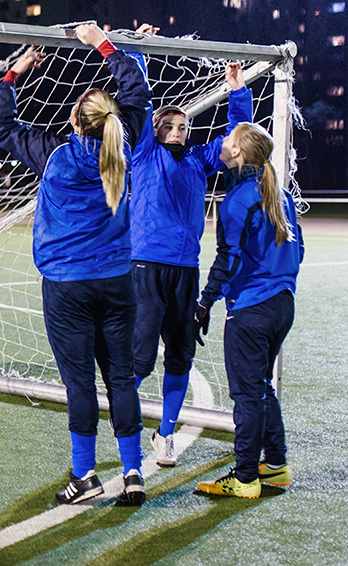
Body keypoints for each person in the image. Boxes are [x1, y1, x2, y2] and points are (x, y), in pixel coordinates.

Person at [0, 24, 151, 506]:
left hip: (66, 286)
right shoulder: (126, 144)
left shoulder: (54, 155)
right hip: (118, 281)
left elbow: (2, 128)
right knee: (120, 377)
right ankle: (134, 471)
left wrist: (12, 76)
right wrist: (103, 42)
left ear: (76, 121)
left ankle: (85, 477)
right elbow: (136, 90)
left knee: (80, 384)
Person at [131, 57, 254, 467]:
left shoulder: (199, 160)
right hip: (146, 268)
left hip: (186, 271)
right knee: (140, 358)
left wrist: (237, 89)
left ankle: (164, 434)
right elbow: (141, 101)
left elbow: (238, 139)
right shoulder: (144, 154)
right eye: (173, 124)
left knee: (181, 355)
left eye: (185, 125)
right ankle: (125, 426)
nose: (181, 130)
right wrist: (139, 55)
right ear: (157, 129)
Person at [195, 123, 303, 498]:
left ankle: (244, 478)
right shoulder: (280, 193)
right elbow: (298, 248)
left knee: (246, 394)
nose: (222, 144)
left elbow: (228, 259)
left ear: (238, 152)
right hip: (282, 303)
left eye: (227, 141)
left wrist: (206, 300)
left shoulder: (238, 199)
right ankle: (276, 465)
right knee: (260, 387)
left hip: (253, 308)